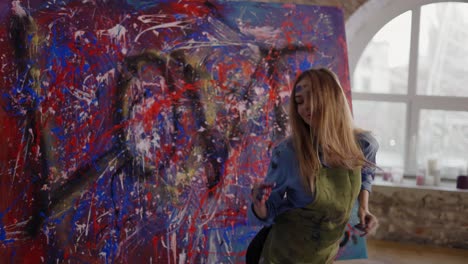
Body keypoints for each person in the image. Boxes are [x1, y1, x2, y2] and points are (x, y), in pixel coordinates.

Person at [246, 68, 379, 264]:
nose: (305, 107)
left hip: (324, 256)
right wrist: (260, 205)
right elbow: (268, 211)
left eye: (313, 97)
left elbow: (366, 172)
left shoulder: (363, 144)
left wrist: (364, 209)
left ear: (333, 98)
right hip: (281, 256)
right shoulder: (288, 153)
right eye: (300, 101)